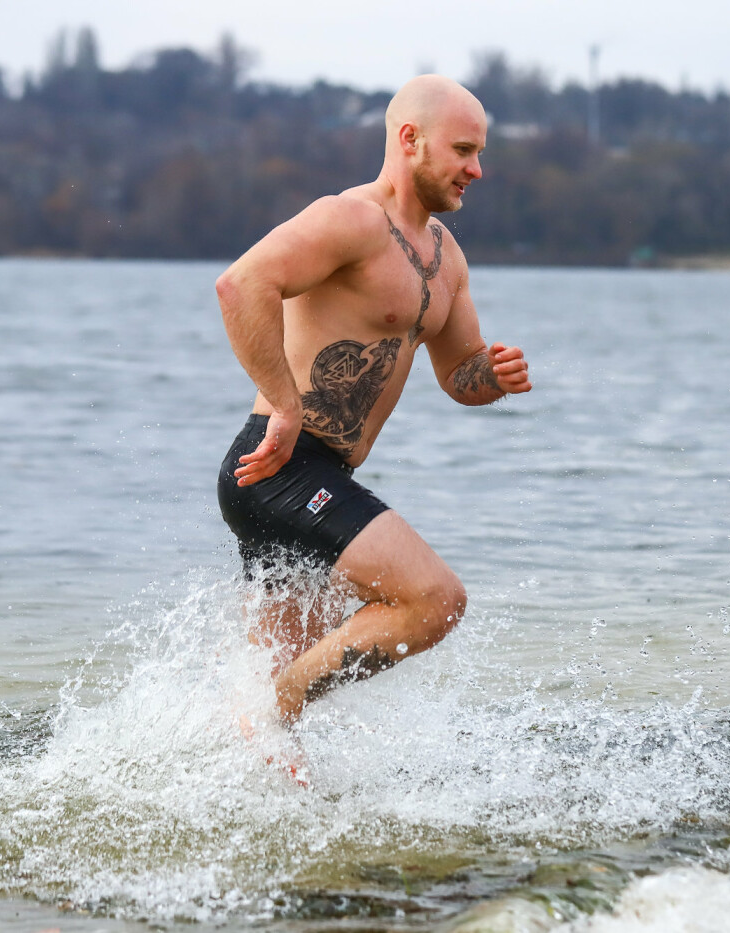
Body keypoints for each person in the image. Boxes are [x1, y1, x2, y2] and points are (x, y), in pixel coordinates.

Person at [215, 74, 532, 727]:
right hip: (281, 463)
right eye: (464, 150)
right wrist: (284, 403)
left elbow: (457, 375)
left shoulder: (448, 259)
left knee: (266, 734)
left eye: (479, 153)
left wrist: (490, 376)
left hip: (320, 478)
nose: (477, 168)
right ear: (410, 140)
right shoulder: (349, 220)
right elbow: (241, 284)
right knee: (434, 599)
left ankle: (234, 753)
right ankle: (277, 707)